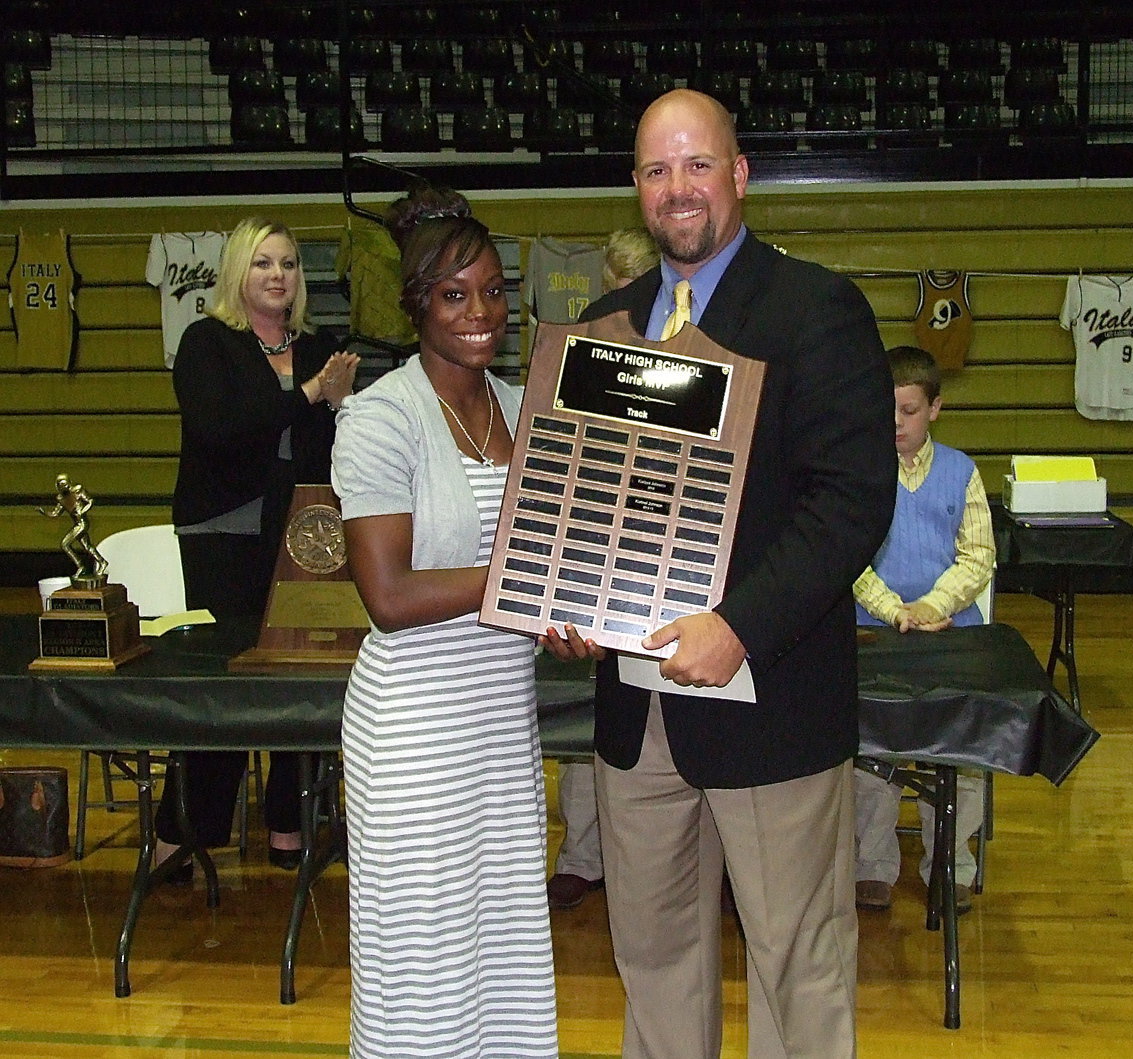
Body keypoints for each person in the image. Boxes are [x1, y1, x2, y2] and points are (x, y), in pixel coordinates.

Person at [542, 89, 896, 1059]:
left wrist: (737, 623)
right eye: (657, 170)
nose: (678, 188)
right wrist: (563, 600)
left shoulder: (815, 309)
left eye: (698, 165)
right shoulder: (606, 327)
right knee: (652, 957)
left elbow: (851, 504)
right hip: (637, 714)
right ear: (636, 190)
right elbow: (582, 509)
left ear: (740, 175)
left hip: (769, 701)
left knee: (797, 961)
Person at [331, 185, 557, 1059]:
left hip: (501, 720)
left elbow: (536, 571)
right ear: (417, 303)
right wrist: (529, 575)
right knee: (419, 965)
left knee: (499, 954)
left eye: (495, 291)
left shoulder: (519, 407)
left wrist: (559, 610)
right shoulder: (379, 416)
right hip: (416, 730)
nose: (481, 313)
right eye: (456, 295)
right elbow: (388, 597)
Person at [157, 217, 358, 879]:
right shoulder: (207, 342)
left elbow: (334, 446)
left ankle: (287, 822)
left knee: (300, 674)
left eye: (290, 264)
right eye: (264, 263)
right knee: (222, 686)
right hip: (223, 533)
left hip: (303, 536)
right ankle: (188, 829)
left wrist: (344, 404)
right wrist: (307, 396)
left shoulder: (321, 346)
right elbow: (221, 430)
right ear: (237, 273)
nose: (279, 275)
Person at [852, 344, 996, 914]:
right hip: (873, 630)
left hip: (950, 634)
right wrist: (895, 611)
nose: (894, 423)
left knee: (962, 755)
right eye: (885, 409)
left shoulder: (962, 473)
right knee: (867, 753)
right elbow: (845, 556)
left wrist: (934, 607)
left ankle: (950, 862)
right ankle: (872, 863)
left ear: (935, 408)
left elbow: (977, 556)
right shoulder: (856, 472)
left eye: (908, 411)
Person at [548, 226, 659, 912]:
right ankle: (582, 851)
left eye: (631, 287)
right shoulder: (587, 343)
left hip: (666, 564)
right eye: (610, 287)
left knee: (666, 723)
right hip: (597, 558)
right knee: (595, 717)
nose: (618, 302)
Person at [39, 474, 108, 582]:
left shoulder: (77, 490)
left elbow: (90, 501)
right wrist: (44, 512)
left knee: (65, 544)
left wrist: (83, 510)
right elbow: (55, 513)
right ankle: (102, 562)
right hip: (77, 524)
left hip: (82, 523)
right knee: (87, 547)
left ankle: (81, 566)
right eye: (60, 484)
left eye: (64, 483)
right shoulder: (61, 499)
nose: (63, 486)